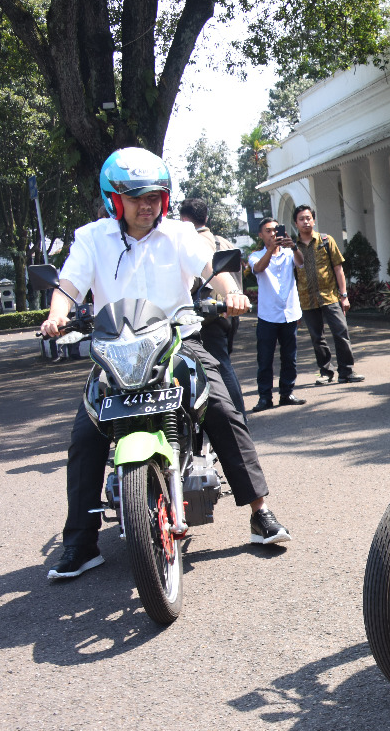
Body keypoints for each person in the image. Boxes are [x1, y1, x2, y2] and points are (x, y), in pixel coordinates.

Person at [40, 147, 291, 580]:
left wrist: (231, 291)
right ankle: (81, 543)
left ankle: (260, 512)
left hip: (176, 342)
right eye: (136, 197)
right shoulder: (91, 238)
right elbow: (69, 284)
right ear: (113, 200)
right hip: (115, 352)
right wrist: (57, 313)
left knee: (224, 409)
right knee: (85, 436)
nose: (147, 204)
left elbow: (212, 266)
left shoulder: (178, 234)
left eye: (155, 195)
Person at [178, 198, 249, 417]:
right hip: (228, 311)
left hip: (206, 315)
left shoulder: (193, 242)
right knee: (222, 363)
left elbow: (197, 281)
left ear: (183, 220)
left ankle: (236, 418)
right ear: (206, 217)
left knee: (218, 368)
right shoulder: (222, 241)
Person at [279, 205, 363, 384]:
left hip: (330, 296)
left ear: (314, 220)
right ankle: (326, 372)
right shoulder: (291, 247)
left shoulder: (326, 240)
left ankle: (346, 371)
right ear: (296, 223)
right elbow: (290, 277)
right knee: (317, 338)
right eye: (301, 219)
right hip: (306, 299)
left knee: (341, 331)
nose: (306, 222)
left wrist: (344, 295)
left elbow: (338, 268)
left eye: (308, 218)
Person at [249, 218, 305, 411]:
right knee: (265, 359)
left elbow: (301, 263)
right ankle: (265, 398)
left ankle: (287, 393)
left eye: (275, 230)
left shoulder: (290, 253)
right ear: (261, 235)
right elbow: (258, 268)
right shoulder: (256, 255)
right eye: (268, 231)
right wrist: (271, 250)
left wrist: (295, 247)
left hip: (289, 314)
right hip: (267, 316)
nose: (273, 234)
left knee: (290, 357)